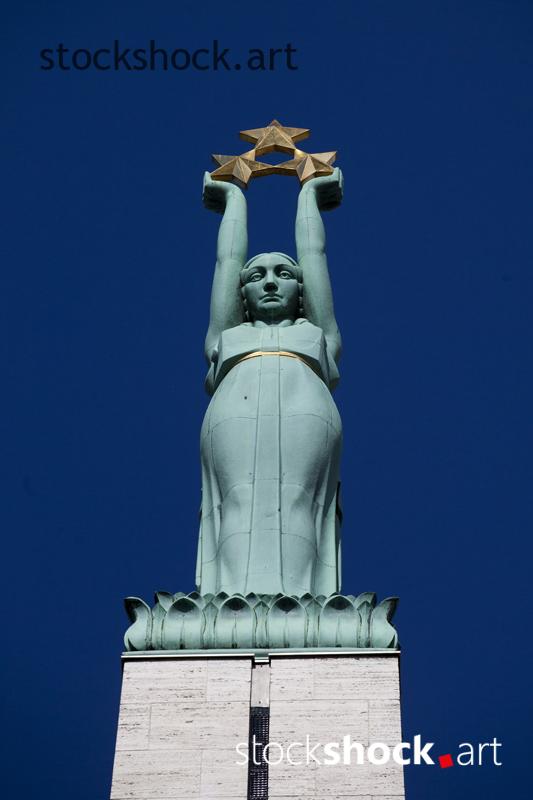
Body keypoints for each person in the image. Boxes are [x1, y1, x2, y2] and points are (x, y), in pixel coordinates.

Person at [196, 168, 344, 598]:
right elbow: (227, 262)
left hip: (307, 404)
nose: (272, 282)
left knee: (298, 500)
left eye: (283, 273)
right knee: (237, 500)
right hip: (233, 409)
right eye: (257, 276)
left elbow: (314, 254)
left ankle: (302, 598)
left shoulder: (319, 337)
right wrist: (233, 199)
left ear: (301, 289)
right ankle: (227, 597)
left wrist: (310, 195)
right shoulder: (227, 338)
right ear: (241, 294)